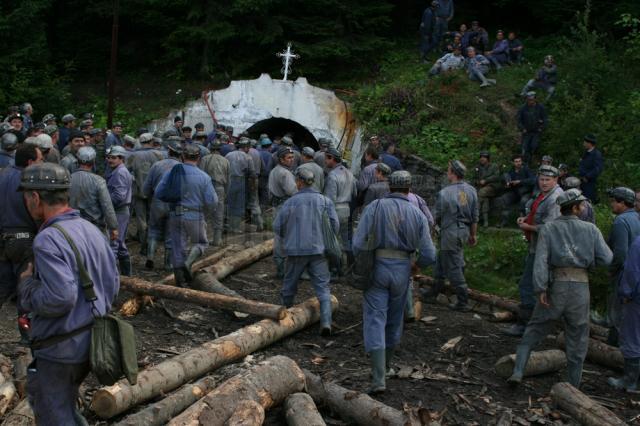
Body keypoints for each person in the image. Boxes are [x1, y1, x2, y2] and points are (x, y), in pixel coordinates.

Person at [17, 162, 119, 425]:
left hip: (62, 348)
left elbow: (59, 298)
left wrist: (27, 285)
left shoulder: (48, 238)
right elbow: (113, 284)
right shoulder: (92, 230)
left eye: (27, 196)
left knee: (54, 415)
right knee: (65, 408)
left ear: (35, 198)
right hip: (92, 341)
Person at [506, 188, 612, 387]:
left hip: (556, 287)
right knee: (578, 337)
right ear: (574, 207)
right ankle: (573, 386)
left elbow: (541, 261)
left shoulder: (549, 228)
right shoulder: (591, 230)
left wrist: (540, 289)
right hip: (580, 288)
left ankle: (518, 371)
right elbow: (607, 258)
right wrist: (589, 262)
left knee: (534, 329)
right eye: (581, 204)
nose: (583, 207)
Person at [354, 170, 436, 394]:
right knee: (394, 319)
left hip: (377, 267)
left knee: (374, 318)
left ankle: (378, 378)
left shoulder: (375, 208)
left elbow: (358, 243)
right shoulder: (417, 213)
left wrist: (363, 262)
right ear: (409, 189)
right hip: (403, 271)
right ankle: (388, 366)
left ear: (389, 187)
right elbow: (429, 253)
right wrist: (416, 265)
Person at [273, 168, 339, 336]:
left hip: (296, 252)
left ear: (299, 182)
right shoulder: (325, 201)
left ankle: (285, 320)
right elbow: (335, 226)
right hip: (318, 251)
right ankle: (326, 322)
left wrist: (289, 235)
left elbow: (277, 227)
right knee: (323, 289)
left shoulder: (290, 202)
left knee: (289, 287)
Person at [504, 165, 564, 336]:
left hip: (544, 249)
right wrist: (526, 218)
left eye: (548, 180)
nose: (544, 182)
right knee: (539, 286)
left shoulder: (555, 198)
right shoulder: (545, 194)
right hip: (536, 247)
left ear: (555, 180)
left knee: (527, 285)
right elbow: (537, 214)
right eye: (541, 179)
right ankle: (540, 324)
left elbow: (549, 227)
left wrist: (527, 226)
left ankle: (524, 325)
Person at [156, 145, 217, 287]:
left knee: (178, 247)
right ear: (199, 158)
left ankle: (180, 283)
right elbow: (212, 201)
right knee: (201, 243)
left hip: (175, 214)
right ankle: (188, 263)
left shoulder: (171, 173)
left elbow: (159, 193)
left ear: (183, 157)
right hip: (194, 214)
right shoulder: (204, 177)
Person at [421, 160, 478, 311]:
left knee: (453, 265)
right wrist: (473, 234)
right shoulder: (471, 190)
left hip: (450, 232)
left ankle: (463, 300)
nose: (447, 172)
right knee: (442, 260)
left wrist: (429, 231)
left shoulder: (445, 193)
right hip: (463, 231)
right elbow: (475, 216)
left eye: (448, 170)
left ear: (452, 173)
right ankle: (435, 291)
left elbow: (435, 216)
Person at [0, 145, 43, 343]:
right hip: (23, 239)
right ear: (30, 162)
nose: (42, 163)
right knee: (25, 287)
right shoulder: (29, 181)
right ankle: (28, 336)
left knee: (2, 287)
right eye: (40, 159)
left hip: (3, 237)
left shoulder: (2, 175)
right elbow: (35, 212)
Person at [606, 187, 640, 346]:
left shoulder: (621, 221)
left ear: (622, 203)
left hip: (623, 273)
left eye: (614, 201)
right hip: (635, 273)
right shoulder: (636, 217)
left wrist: (611, 271)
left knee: (617, 312)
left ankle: (616, 348)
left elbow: (620, 253)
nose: (611, 204)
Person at [143, 141, 183, 270]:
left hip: (158, 201)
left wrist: (148, 197)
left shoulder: (157, 165)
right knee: (172, 233)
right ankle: (168, 264)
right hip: (175, 203)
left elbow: (147, 186)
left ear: (169, 151)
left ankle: (150, 257)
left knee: (154, 229)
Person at [609, 235, 640, 391]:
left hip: (637, 299)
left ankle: (630, 380)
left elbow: (632, 271)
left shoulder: (638, 243)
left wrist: (626, 293)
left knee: (632, 336)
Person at [126, 133, 164, 255]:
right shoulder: (159, 154)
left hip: (138, 191)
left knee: (141, 220)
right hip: (155, 191)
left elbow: (127, 171)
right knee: (153, 218)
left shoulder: (133, 155)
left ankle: (144, 246)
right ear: (152, 141)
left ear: (141, 142)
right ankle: (152, 247)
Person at [69, 147, 119, 240]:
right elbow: (107, 206)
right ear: (93, 162)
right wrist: (113, 227)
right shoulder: (98, 181)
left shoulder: (68, 179)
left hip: (73, 226)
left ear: (77, 161)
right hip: (95, 227)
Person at [324, 147, 357, 268]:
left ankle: (335, 269)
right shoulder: (349, 172)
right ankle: (351, 266)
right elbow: (355, 193)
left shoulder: (332, 175)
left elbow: (329, 199)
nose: (325, 162)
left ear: (332, 158)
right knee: (347, 240)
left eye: (326, 159)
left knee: (331, 240)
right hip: (346, 210)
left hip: (335, 210)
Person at [269, 147, 298, 278]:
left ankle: (280, 268)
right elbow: (293, 192)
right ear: (281, 159)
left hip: (278, 206)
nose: (292, 160)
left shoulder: (275, 171)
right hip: (285, 206)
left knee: (279, 237)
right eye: (289, 158)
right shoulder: (285, 174)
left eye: (292, 157)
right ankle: (285, 270)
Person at [105, 145, 133, 276]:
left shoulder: (120, 172)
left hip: (119, 211)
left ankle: (111, 277)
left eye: (113, 158)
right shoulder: (117, 170)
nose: (110, 160)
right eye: (109, 157)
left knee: (114, 243)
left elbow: (119, 196)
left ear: (121, 158)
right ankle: (128, 276)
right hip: (120, 211)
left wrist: (104, 200)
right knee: (120, 244)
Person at [199, 141, 230, 247]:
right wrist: (226, 192)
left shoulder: (204, 159)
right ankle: (217, 239)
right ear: (220, 148)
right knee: (219, 213)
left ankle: (202, 239)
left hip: (207, 187)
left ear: (210, 148)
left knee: (204, 213)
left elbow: (201, 175)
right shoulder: (226, 160)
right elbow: (228, 179)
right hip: (220, 188)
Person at [226, 138, 257, 233]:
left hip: (229, 181)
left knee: (229, 203)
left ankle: (228, 225)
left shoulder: (228, 155)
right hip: (240, 181)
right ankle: (235, 228)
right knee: (239, 205)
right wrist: (252, 186)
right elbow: (252, 174)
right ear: (246, 147)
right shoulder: (248, 157)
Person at [496, 154, 536, 226]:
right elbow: (506, 181)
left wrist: (520, 181)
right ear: (513, 163)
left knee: (524, 201)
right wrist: (507, 184)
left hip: (526, 192)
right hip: (515, 192)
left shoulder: (526, 169)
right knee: (504, 199)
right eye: (516, 161)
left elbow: (533, 180)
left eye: (519, 161)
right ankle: (504, 221)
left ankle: (523, 222)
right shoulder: (511, 171)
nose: (518, 163)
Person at [517, 91, 547, 164]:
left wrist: (541, 127)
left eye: (532, 99)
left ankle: (530, 161)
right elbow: (518, 120)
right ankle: (524, 163)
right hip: (526, 131)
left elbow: (545, 119)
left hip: (536, 132)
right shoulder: (523, 108)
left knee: (533, 146)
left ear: (535, 99)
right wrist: (522, 128)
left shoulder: (540, 107)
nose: (530, 101)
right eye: (528, 99)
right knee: (524, 147)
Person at [473, 151, 501, 227]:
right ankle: (485, 221)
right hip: (481, 188)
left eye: (484, 157)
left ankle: (476, 217)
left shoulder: (494, 166)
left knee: (481, 193)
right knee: (484, 198)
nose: (482, 159)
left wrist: (486, 180)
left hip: (492, 187)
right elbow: (474, 178)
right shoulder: (477, 167)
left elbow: (497, 176)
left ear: (488, 159)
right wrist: (478, 182)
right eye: (481, 157)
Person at [578, 134, 604, 203]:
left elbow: (598, 168)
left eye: (585, 142)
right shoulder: (586, 153)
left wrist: (587, 177)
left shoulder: (596, 154)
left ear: (589, 143)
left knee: (587, 201)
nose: (583, 144)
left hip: (589, 183)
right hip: (582, 181)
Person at [246, 139, 264, 231]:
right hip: (255, 178)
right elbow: (263, 167)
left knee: (247, 200)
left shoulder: (246, 153)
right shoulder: (258, 152)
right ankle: (258, 223)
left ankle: (250, 221)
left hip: (247, 179)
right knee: (254, 201)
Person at [258, 137, 274, 209]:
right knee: (264, 194)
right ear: (269, 146)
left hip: (256, 177)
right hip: (264, 178)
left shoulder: (257, 153)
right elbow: (268, 169)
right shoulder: (269, 155)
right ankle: (263, 210)